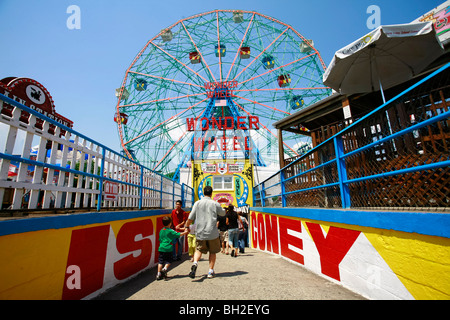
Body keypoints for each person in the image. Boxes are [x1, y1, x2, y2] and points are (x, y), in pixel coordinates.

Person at [184, 185, 226, 279]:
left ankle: (195, 263)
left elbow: (190, 218)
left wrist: (187, 226)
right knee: (212, 252)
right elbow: (223, 213)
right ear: (211, 193)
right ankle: (210, 271)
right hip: (212, 233)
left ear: (203, 193)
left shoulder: (197, 203)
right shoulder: (214, 203)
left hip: (200, 233)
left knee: (198, 250)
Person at [157, 216, 189, 280]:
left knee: (160, 261)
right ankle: (164, 269)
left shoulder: (161, 230)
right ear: (170, 223)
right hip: (168, 248)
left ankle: (158, 274)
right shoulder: (170, 231)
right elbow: (179, 234)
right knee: (169, 260)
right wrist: (185, 232)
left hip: (161, 248)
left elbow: (160, 239)